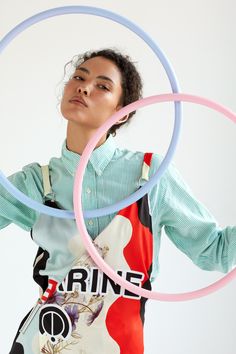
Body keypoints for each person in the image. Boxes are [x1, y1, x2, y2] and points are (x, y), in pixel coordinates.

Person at [0, 48, 235, 354]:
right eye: (78, 77)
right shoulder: (36, 184)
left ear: (122, 110)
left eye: (103, 86)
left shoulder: (151, 175)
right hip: (41, 343)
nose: (83, 87)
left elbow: (214, 252)